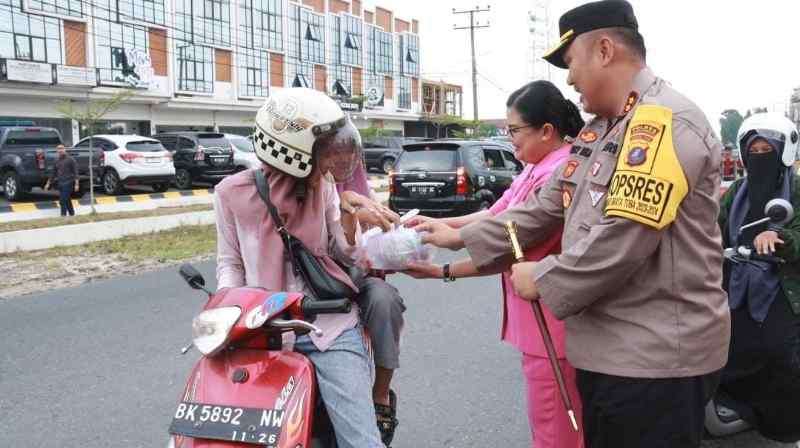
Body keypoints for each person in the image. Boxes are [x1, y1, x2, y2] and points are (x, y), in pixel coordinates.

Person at [414, 1, 729, 447]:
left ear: (603, 50)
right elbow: (546, 207)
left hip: (654, 359)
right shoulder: (601, 130)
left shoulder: (660, 123)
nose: (569, 79)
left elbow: (623, 237)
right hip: (611, 352)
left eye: (570, 62)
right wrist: (459, 236)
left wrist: (542, 277)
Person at [403, 80, 585, 448]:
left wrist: (443, 267)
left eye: (514, 130)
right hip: (540, 321)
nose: (509, 138)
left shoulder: (557, 173)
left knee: (555, 427)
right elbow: (494, 215)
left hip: (551, 322)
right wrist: (435, 225)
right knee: (551, 421)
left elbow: (510, 241)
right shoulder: (537, 167)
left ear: (547, 131)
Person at [214, 87, 384, 448]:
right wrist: (229, 308)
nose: (330, 162)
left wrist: (352, 224)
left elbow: (341, 251)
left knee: (362, 442)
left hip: (327, 326)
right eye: (322, 152)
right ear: (293, 152)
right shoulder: (230, 193)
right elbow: (229, 263)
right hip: (260, 332)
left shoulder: (322, 187)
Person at [717, 112, 800, 443]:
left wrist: (781, 238)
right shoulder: (737, 190)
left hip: (782, 284)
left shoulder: (795, 189)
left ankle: (785, 427)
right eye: (754, 150)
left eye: (767, 150)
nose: (760, 157)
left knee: (780, 352)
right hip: (736, 281)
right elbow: (715, 230)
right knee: (726, 345)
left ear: (784, 153)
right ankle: (738, 412)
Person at [335, 151, 406, 445]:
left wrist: (391, 235)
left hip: (355, 278)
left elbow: (370, 255)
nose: (343, 164)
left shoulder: (363, 195)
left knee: (385, 299)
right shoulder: (306, 188)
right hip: (307, 280)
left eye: (353, 159)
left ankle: (380, 393)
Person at [45, 144, 78, 217]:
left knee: (62, 200)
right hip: (61, 183)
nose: (60, 150)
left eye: (61, 148)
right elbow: (53, 174)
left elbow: (76, 172)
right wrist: (48, 183)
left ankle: (63, 215)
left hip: (69, 182)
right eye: (58, 149)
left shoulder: (70, 159)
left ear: (65, 149)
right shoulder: (56, 160)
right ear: (57, 151)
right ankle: (72, 214)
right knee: (67, 200)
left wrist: (76, 184)